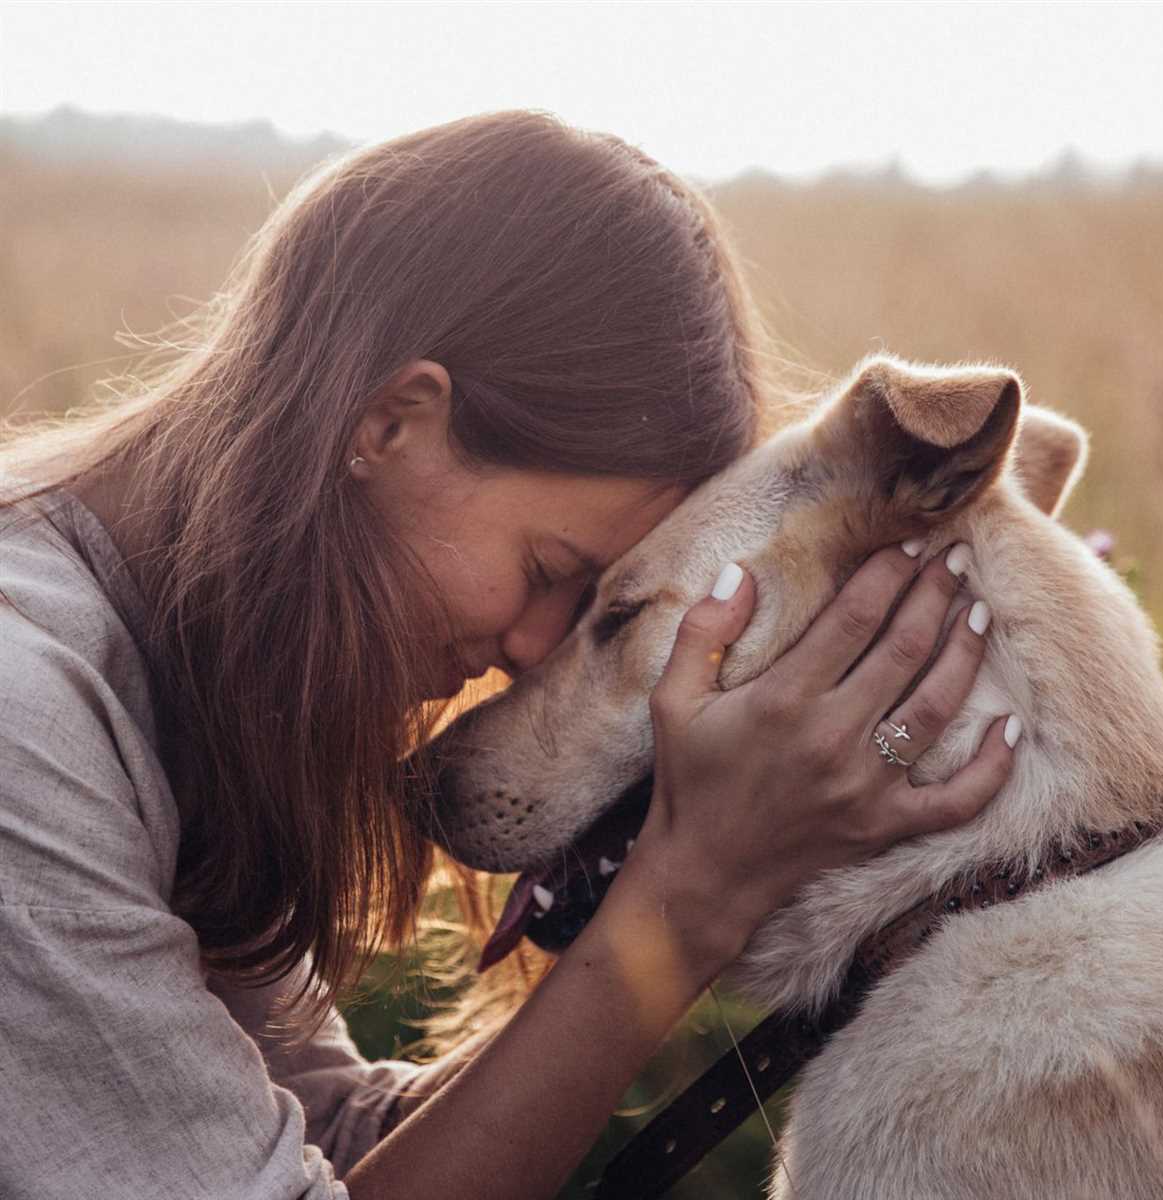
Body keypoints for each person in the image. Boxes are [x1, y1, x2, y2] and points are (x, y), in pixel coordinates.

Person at [0, 111, 1016, 1200]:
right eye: (548, 572)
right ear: (394, 420)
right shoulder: (27, 721)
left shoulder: (173, 670)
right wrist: (693, 896)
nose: (531, 652)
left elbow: (329, 1146)